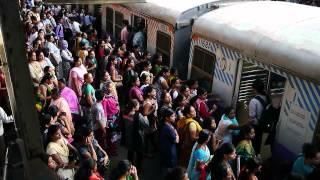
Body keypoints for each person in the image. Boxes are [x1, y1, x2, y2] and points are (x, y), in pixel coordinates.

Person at [249, 79, 268, 154]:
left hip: (256, 126)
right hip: (263, 125)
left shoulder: (254, 101)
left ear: (254, 89)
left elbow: (252, 118)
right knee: (259, 144)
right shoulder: (267, 98)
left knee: (253, 145)